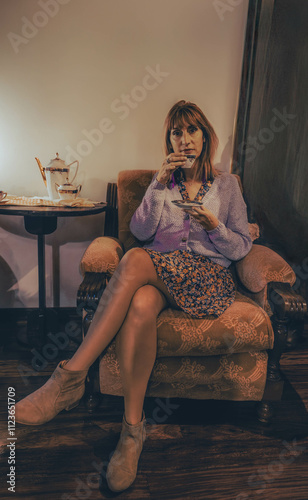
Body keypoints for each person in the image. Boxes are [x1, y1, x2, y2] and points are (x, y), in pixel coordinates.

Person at [15, 100, 252, 492]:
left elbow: (241, 248)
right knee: (140, 302)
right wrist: (158, 184)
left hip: (207, 278)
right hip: (161, 275)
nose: (185, 138)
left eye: (192, 130)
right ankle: (132, 432)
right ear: (170, 139)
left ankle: (68, 379)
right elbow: (140, 231)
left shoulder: (228, 187)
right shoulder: (163, 183)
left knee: (137, 260)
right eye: (177, 132)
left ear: (205, 137)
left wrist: (214, 227)